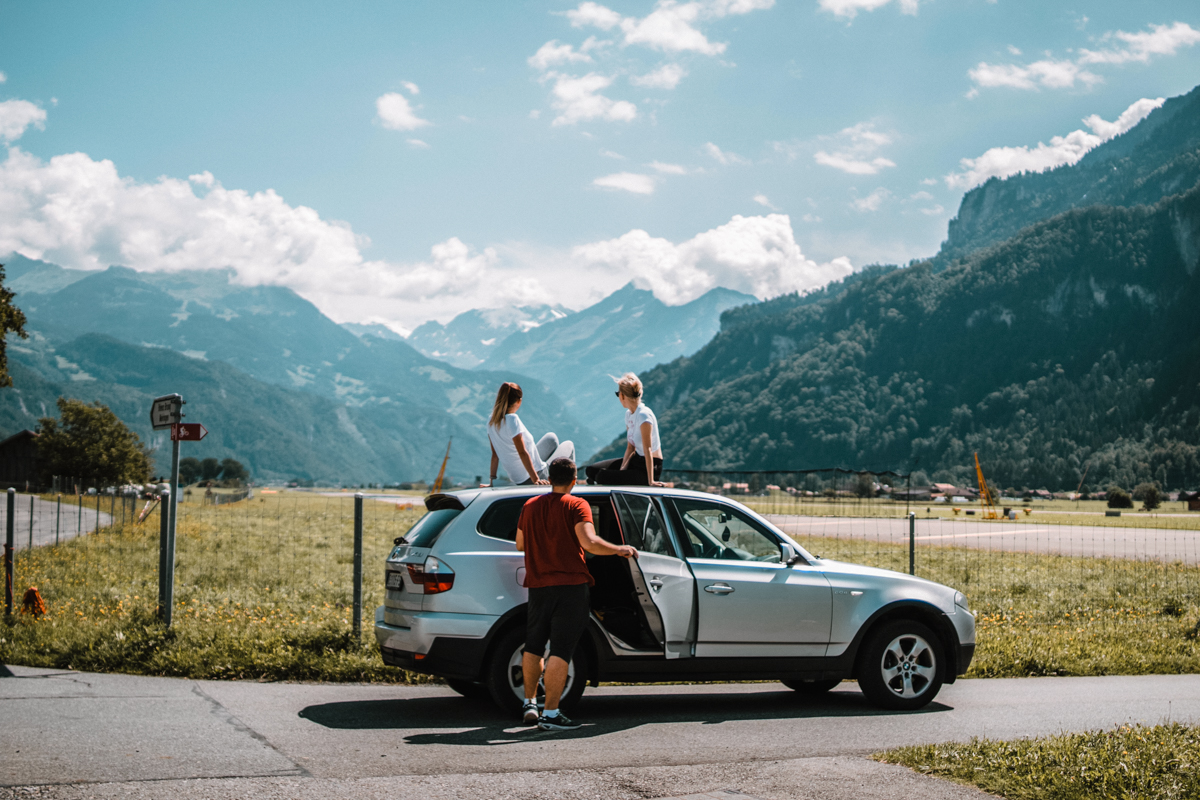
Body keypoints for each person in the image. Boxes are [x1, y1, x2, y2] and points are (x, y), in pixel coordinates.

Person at [515, 457, 637, 730]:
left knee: (534, 644)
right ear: (574, 480)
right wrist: (620, 549)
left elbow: (520, 544)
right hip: (570, 587)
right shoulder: (576, 504)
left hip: (538, 586)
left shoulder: (530, 506)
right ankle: (551, 715)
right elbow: (589, 543)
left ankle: (530, 703)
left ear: (549, 476)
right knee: (561, 648)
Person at [487, 382, 575, 486]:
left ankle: (558, 475)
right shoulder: (512, 419)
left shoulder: (491, 421)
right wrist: (536, 479)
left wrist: (492, 482)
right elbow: (522, 452)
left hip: (518, 477)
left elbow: (495, 455)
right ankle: (571, 484)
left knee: (551, 438)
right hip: (536, 474)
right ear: (519, 401)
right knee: (569, 445)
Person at [585, 373, 664, 487]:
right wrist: (621, 472)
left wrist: (651, 481)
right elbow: (630, 447)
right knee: (591, 470)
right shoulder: (629, 415)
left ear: (622, 396)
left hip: (649, 468)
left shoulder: (644, 415)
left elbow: (648, 450)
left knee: (601, 477)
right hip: (636, 460)